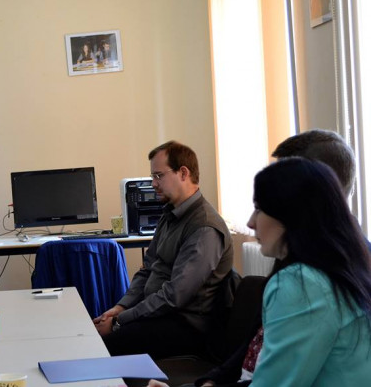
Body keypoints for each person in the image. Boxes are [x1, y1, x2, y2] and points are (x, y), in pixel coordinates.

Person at [148, 157, 371, 387]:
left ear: (292, 215)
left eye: (259, 209)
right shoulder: (334, 270)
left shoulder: (301, 283)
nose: (250, 222)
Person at [94, 141, 234, 359]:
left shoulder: (204, 227)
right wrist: (121, 307)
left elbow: (174, 296)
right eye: (153, 176)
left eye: (159, 176)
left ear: (183, 173)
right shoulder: (170, 215)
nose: (153, 183)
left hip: (185, 326)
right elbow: (147, 270)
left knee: (102, 347)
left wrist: (120, 321)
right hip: (160, 316)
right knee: (95, 336)